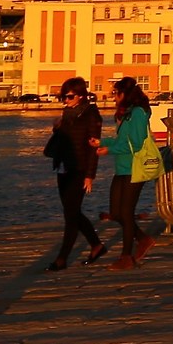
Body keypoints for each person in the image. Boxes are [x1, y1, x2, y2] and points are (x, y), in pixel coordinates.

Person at [44, 78, 107, 270]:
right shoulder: (67, 114)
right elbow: (63, 141)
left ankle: (62, 258)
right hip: (63, 167)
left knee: (71, 214)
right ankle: (96, 245)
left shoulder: (91, 116)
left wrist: (90, 175)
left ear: (81, 96)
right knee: (71, 211)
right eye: (63, 96)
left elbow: (93, 148)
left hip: (80, 169)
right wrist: (57, 128)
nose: (66, 100)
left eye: (69, 96)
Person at [101, 78, 157, 270]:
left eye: (116, 94)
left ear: (125, 95)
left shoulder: (139, 114)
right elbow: (121, 140)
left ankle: (126, 257)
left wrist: (110, 150)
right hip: (122, 167)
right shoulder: (126, 114)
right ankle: (142, 238)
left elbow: (137, 143)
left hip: (136, 167)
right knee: (116, 212)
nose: (113, 98)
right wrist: (102, 143)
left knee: (126, 212)